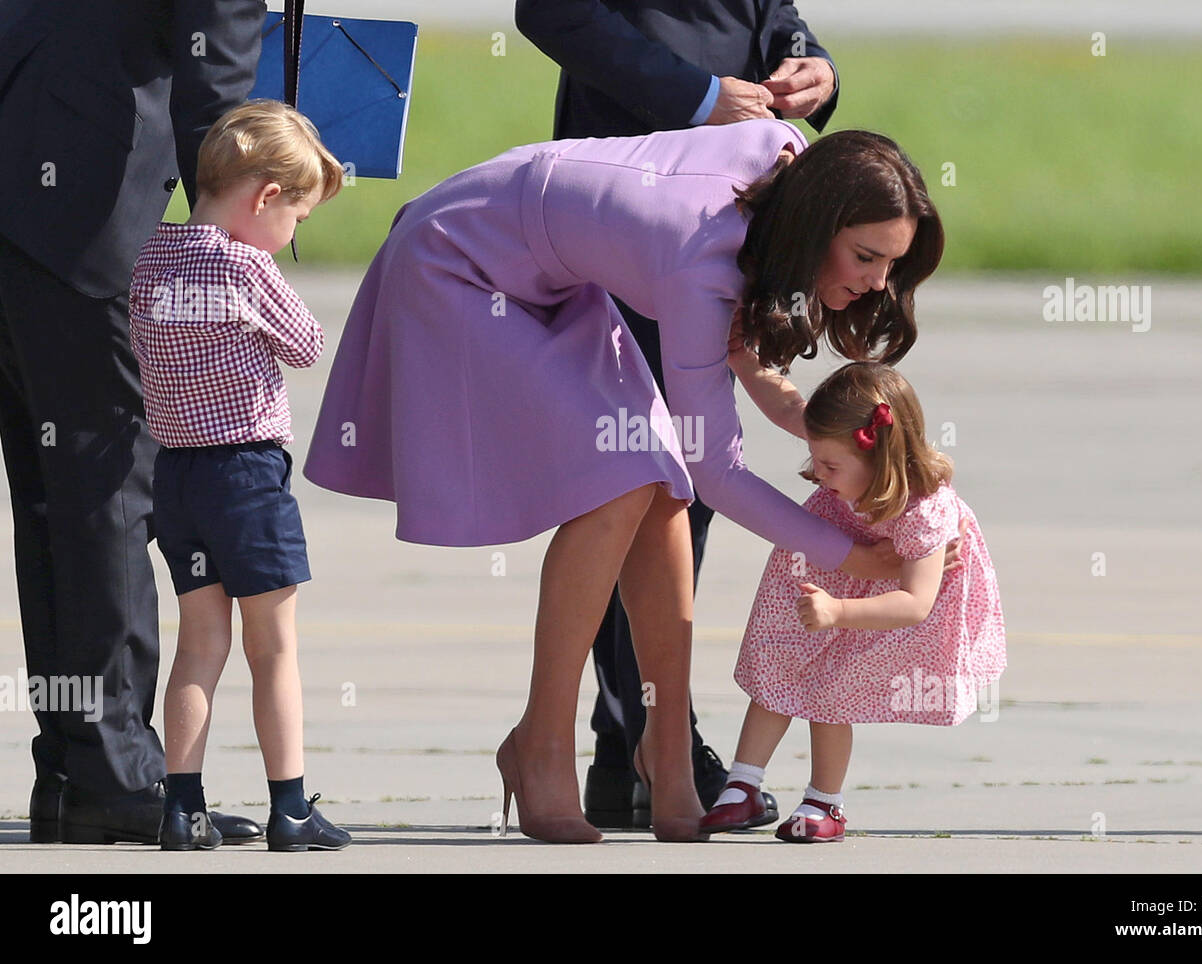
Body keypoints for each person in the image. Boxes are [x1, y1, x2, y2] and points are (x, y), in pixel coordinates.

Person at [303, 119, 945, 843]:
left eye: (889, 265)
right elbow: (720, 469)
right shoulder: (697, 256)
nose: (875, 283)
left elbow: (739, 358)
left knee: (661, 483)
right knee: (623, 480)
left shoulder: (788, 158)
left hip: (548, 275)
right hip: (456, 262)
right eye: (865, 257)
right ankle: (540, 746)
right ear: (817, 224)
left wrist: (820, 425)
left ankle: (665, 749)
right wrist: (848, 554)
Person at [516, 0, 839, 830]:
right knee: (635, 480)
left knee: (677, 494)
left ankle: (625, 744)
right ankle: (650, 738)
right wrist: (696, 98)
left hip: (729, 205)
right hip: (627, 205)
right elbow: (551, 12)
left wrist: (810, 66)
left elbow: (775, 15)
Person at [0, 0, 266, 845]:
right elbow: (216, 88)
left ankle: (76, 766)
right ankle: (113, 773)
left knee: (53, 498)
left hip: (27, 196)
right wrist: (233, 253)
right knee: (110, 489)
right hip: (80, 215)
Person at [129, 100, 351, 852]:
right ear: (264, 198)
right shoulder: (248, 265)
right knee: (273, 646)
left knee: (198, 645)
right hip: (248, 474)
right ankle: (290, 807)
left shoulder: (152, 257)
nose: (293, 235)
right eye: (298, 218)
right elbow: (307, 345)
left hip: (177, 476)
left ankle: (182, 807)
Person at [699, 361, 1005, 842]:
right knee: (781, 660)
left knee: (831, 686)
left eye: (830, 465)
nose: (817, 475)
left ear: (880, 456)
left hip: (877, 604)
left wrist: (839, 613)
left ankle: (825, 802)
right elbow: (791, 414)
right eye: (816, 459)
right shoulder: (839, 478)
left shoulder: (925, 510)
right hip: (829, 577)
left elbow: (915, 602)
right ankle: (744, 784)